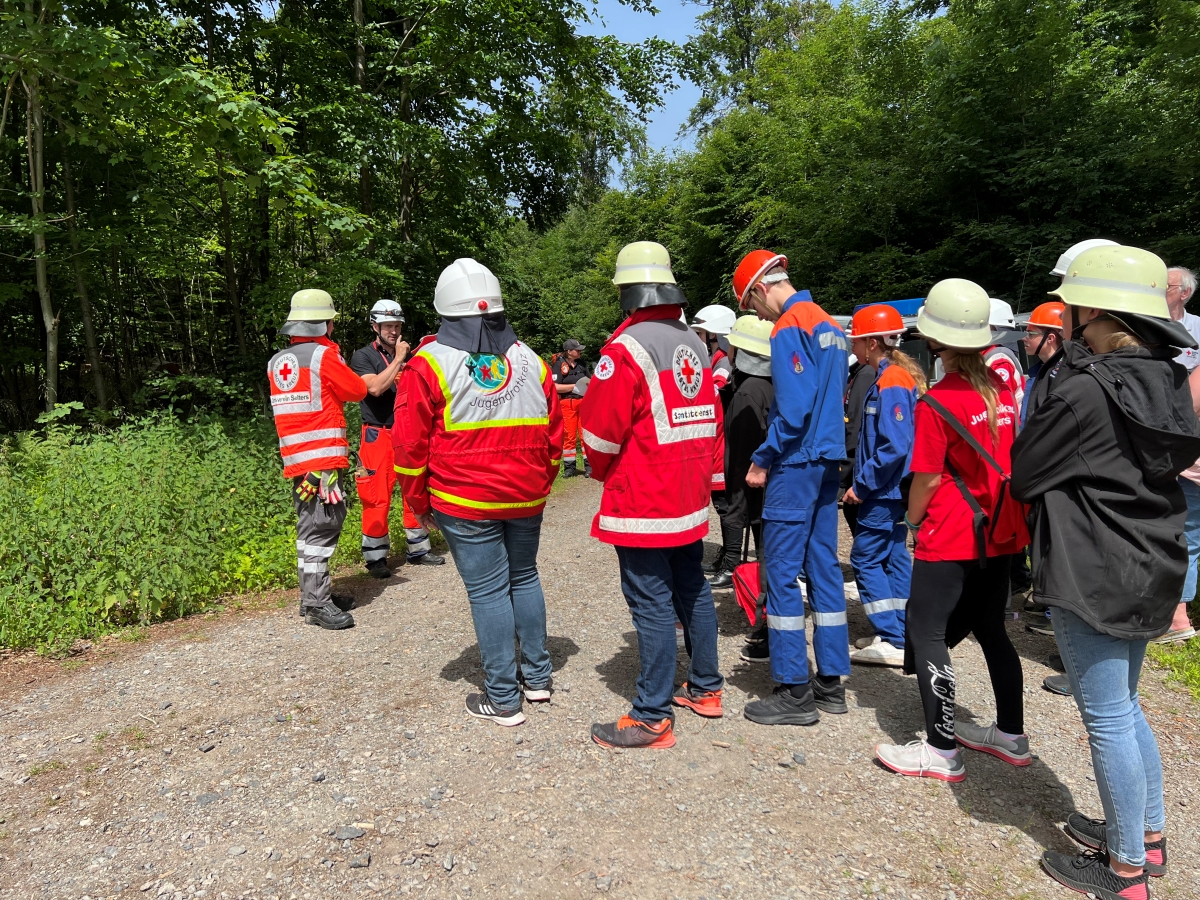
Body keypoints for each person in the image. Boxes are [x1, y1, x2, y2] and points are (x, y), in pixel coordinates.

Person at [1011, 244, 1200, 899]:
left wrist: (1065, 375)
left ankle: (1124, 873)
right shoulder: (1169, 377)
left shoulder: (1087, 388)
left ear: (1096, 309)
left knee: (1110, 719)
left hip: (1094, 569)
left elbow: (1027, 470)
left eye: (1075, 305)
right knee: (1126, 707)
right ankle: (1146, 836)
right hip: (1152, 561)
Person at [393, 259, 563, 726]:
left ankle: (504, 698)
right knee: (525, 577)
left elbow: (408, 447)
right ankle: (540, 679)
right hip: (526, 496)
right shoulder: (533, 360)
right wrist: (541, 484)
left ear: (445, 311)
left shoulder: (428, 364)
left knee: (488, 593)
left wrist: (418, 501)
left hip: (465, 501)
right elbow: (555, 435)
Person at [874, 278, 1029, 782]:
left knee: (926, 629)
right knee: (990, 628)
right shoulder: (1002, 386)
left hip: (952, 530)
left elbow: (927, 477)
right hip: (1000, 530)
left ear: (935, 341)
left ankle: (941, 750)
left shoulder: (938, 399)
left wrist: (911, 521)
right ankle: (1010, 734)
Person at [581, 241, 724, 749]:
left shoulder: (624, 350)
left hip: (643, 497)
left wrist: (599, 471)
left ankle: (651, 716)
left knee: (651, 604)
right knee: (693, 587)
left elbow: (600, 435)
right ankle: (706, 688)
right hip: (687, 493)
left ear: (628, 292)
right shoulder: (695, 343)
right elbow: (711, 417)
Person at [734, 249, 850, 725]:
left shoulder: (789, 327)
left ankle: (792, 689)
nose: (756, 316)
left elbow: (795, 407)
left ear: (761, 288)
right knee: (823, 569)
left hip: (795, 463)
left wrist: (762, 458)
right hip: (827, 463)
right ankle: (830, 683)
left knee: (780, 572)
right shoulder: (830, 325)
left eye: (751, 306)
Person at [267, 289, 368, 630]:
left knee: (309, 528)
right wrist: (334, 354)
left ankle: (313, 593)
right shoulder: (323, 357)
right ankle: (316, 603)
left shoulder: (278, 362)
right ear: (324, 323)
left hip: (299, 460)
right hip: (322, 463)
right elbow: (357, 391)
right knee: (322, 529)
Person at [842, 305, 925, 668]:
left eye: (858, 340)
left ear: (873, 343)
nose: (854, 346)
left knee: (863, 558)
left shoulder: (891, 381)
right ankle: (904, 631)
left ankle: (892, 637)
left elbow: (894, 445)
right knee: (893, 558)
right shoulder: (891, 376)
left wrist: (862, 485)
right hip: (891, 491)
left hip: (883, 491)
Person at [349, 300, 444, 577]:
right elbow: (375, 388)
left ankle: (419, 549)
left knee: (414, 490)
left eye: (397, 326)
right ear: (375, 326)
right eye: (388, 326)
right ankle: (376, 558)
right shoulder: (363, 356)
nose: (393, 331)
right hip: (377, 432)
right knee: (376, 496)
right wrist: (400, 360)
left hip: (409, 432)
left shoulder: (412, 355)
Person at [716, 316, 775, 662]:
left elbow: (746, 458)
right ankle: (767, 629)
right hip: (765, 494)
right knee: (771, 560)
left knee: (769, 562)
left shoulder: (750, 393)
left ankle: (769, 633)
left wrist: (738, 507)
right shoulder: (761, 386)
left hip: (760, 496)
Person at [1158, 266, 1200, 644]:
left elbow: (1193, 397)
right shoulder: (1147, 324)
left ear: (1183, 293)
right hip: (1158, 439)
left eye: (1164, 286)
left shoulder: (1199, 330)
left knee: (1186, 530)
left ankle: (1177, 615)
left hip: (1185, 445)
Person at [691, 305, 738, 585]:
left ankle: (732, 563)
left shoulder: (722, 362)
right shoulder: (715, 358)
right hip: (718, 444)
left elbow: (710, 392)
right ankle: (728, 557)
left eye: (701, 333)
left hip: (724, 445)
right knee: (723, 504)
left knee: (726, 505)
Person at [841, 355, 876, 537]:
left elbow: (855, 423)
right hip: (855, 459)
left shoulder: (866, 374)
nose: (852, 346)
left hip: (858, 462)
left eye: (855, 341)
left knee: (854, 510)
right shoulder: (857, 373)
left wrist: (845, 469)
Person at [552, 338, 590, 478]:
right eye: (577, 349)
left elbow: (589, 381)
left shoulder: (582, 364)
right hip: (567, 403)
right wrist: (574, 387)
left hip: (583, 402)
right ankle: (569, 468)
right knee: (569, 436)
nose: (580, 351)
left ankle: (589, 466)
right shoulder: (558, 365)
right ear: (569, 351)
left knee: (585, 435)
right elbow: (555, 387)